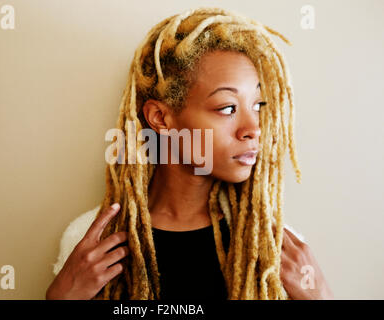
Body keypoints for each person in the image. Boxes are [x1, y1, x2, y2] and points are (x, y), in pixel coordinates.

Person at [46, 7, 334, 300]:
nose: (253, 128)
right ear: (160, 118)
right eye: (228, 108)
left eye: (258, 106)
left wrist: (319, 296)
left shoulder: (274, 249)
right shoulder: (93, 247)